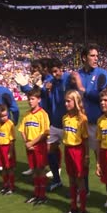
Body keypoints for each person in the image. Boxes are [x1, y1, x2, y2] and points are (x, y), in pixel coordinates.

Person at [71, 44, 107, 194]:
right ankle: (84, 189)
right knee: (82, 159)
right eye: (92, 56)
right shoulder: (76, 74)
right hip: (81, 124)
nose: (96, 59)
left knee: (102, 160)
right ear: (84, 58)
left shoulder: (102, 74)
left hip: (98, 123)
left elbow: (103, 97)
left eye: (97, 56)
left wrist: (82, 88)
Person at [14, 59, 52, 176]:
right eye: (32, 69)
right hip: (38, 113)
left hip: (46, 114)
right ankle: (33, 165)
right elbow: (33, 94)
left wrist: (29, 86)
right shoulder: (39, 80)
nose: (32, 72)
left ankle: (54, 167)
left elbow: (42, 94)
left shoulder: (49, 79)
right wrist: (25, 86)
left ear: (42, 69)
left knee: (49, 143)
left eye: (35, 69)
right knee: (34, 140)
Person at [61, 90, 89, 213]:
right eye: (65, 101)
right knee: (71, 179)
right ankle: (73, 207)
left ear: (76, 102)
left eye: (69, 101)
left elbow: (86, 139)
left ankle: (82, 209)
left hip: (78, 151)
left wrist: (87, 156)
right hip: (68, 150)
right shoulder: (65, 118)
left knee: (80, 179)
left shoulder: (82, 119)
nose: (66, 103)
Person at [19, 87, 50, 205]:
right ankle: (36, 193)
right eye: (28, 99)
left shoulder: (43, 114)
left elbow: (44, 133)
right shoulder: (27, 114)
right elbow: (22, 129)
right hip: (29, 146)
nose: (29, 101)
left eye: (32, 99)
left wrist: (31, 143)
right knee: (34, 171)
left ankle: (42, 195)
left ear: (39, 100)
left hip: (39, 146)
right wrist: (26, 142)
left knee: (40, 170)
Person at [44, 58, 71, 191]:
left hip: (68, 125)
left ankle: (81, 187)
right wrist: (47, 91)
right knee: (49, 151)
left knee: (72, 157)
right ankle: (56, 179)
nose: (54, 74)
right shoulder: (51, 83)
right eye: (52, 72)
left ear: (61, 68)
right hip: (55, 124)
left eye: (55, 71)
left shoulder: (69, 79)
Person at [0, 104, 17, 195]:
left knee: (9, 167)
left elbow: (12, 140)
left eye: (5, 115)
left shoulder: (10, 124)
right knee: (3, 168)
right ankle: (5, 185)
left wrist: (10, 152)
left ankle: (11, 186)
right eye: (2, 116)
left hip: (8, 148)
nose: (4, 117)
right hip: (0, 148)